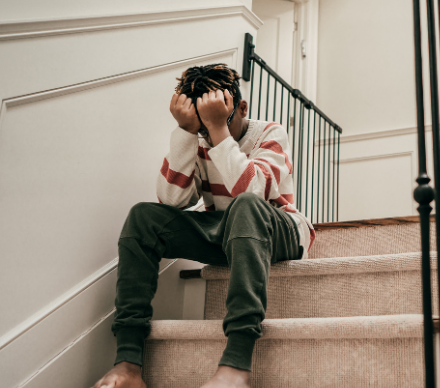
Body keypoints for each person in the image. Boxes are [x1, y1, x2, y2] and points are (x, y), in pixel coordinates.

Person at [90, 63, 314, 388]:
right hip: (227, 234)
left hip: (279, 230)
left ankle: (236, 365)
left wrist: (219, 131)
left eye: (220, 120)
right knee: (144, 216)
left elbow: (253, 192)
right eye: (203, 126)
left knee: (246, 206)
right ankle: (128, 364)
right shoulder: (197, 138)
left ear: (242, 108)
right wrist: (185, 132)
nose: (208, 133)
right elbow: (171, 201)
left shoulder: (269, 132)